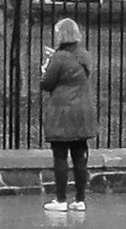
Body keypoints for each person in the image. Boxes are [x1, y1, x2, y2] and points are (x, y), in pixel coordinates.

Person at [39, 18, 96, 212]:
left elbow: (46, 83)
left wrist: (45, 67)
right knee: (80, 157)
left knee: (61, 156)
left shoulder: (59, 57)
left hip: (62, 112)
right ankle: (80, 199)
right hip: (83, 111)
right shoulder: (85, 55)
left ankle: (61, 200)